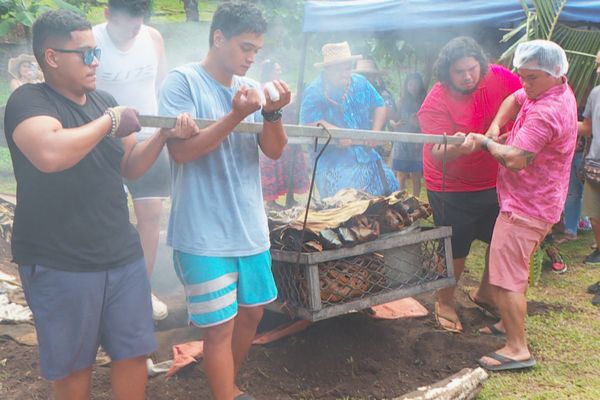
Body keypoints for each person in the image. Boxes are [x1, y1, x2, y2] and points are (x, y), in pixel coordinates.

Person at [3, 9, 196, 399]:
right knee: (75, 368)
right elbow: (50, 153)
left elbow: (131, 166)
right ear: (52, 57)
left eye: (96, 53)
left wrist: (161, 138)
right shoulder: (28, 102)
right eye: (85, 54)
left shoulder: (102, 100)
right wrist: (109, 121)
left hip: (120, 254)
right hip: (60, 260)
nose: (96, 62)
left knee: (132, 353)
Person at [158, 3, 290, 399]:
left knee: (252, 314)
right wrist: (235, 117)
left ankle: (224, 383)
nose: (252, 58)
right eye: (245, 47)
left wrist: (272, 113)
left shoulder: (246, 91)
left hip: (248, 226)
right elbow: (181, 153)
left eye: (256, 51)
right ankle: (225, 393)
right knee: (218, 329)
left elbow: (275, 151)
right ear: (218, 38)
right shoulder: (182, 83)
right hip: (202, 231)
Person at [460, 40, 577, 371]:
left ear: (556, 74)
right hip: (535, 200)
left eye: (531, 77)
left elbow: (515, 159)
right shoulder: (548, 90)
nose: (524, 84)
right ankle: (505, 324)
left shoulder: (548, 111)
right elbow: (514, 98)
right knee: (514, 268)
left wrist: (484, 142)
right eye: (522, 75)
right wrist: (497, 126)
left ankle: (517, 348)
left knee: (508, 277)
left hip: (528, 207)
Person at [417, 36, 522, 333]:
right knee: (455, 250)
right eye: (459, 72)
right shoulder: (435, 101)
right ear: (446, 73)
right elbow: (436, 153)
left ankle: (485, 293)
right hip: (452, 186)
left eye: (472, 69)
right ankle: (445, 302)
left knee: (500, 241)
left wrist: (512, 132)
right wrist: (459, 148)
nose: (467, 76)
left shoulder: (499, 76)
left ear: (481, 65)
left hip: (495, 180)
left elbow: (523, 97)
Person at [93, 0, 170, 320]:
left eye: (139, 20)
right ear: (108, 14)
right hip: (104, 140)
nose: (135, 28)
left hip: (148, 137)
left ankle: (141, 288)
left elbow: (160, 83)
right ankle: (102, 287)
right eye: (128, 22)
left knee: (151, 213)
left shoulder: (152, 38)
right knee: (105, 216)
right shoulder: (92, 41)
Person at [300, 41, 399, 198]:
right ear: (327, 69)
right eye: (339, 70)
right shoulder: (314, 91)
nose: (345, 73)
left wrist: (375, 132)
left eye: (347, 68)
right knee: (346, 205)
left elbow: (380, 104)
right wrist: (336, 133)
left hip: (367, 157)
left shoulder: (360, 82)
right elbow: (309, 122)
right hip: (333, 164)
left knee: (390, 192)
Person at [259, 59, 309, 208]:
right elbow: (274, 106)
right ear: (269, 71)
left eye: (280, 69)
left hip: (286, 131)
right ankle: (271, 201)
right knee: (273, 165)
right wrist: (292, 101)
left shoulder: (281, 86)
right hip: (272, 131)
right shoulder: (264, 88)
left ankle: (291, 196)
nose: (279, 72)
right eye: (276, 69)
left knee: (290, 165)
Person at [578, 49, 600, 267]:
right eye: (598, 64)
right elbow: (587, 128)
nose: (599, 70)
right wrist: (557, 124)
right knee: (595, 216)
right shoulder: (595, 93)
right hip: (595, 165)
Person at [390, 72, 426, 196]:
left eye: (416, 84)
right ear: (406, 86)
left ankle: (415, 203)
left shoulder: (425, 102)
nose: (413, 87)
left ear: (420, 85)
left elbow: (429, 123)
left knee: (416, 174)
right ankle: (401, 202)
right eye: (410, 84)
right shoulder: (401, 101)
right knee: (401, 174)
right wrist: (394, 124)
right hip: (401, 141)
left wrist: (418, 123)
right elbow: (392, 119)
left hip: (417, 142)